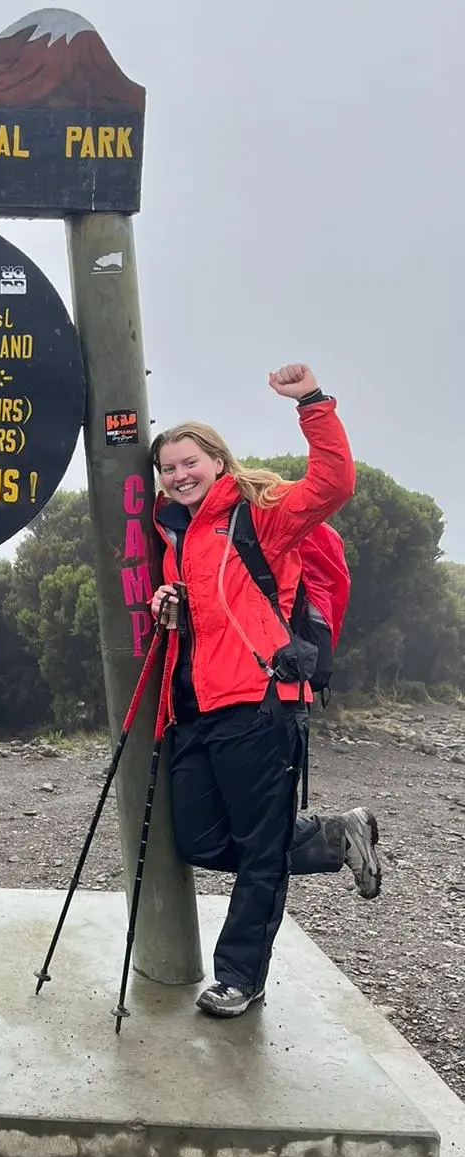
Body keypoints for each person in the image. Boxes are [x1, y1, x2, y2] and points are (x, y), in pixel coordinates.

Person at [149, 362, 381, 1019]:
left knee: (258, 855)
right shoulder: (175, 538)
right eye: (168, 468)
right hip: (194, 715)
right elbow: (204, 619)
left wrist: (311, 400)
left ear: (217, 461)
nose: (178, 475)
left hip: (261, 706)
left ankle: (238, 979)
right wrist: (171, 602)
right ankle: (336, 836)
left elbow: (335, 481)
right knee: (197, 841)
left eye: (188, 462)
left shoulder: (264, 517)